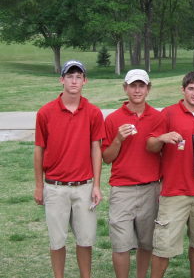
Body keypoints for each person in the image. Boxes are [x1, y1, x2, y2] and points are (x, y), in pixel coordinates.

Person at [34, 60, 105, 278]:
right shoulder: (45, 112)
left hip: (84, 187)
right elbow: (39, 150)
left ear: (85, 81)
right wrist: (39, 186)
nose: (74, 81)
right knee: (57, 242)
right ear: (61, 79)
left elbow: (96, 149)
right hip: (55, 187)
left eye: (78, 76)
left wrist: (96, 185)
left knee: (85, 240)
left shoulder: (93, 112)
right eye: (69, 76)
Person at [148, 71, 194, 278]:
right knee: (164, 246)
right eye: (191, 88)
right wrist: (162, 137)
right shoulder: (168, 113)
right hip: (174, 191)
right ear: (183, 90)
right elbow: (150, 145)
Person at [102, 69, 164, 278]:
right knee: (121, 245)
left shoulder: (158, 117)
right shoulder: (112, 119)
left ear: (148, 89)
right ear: (125, 88)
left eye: (141, 86)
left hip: (150, 188)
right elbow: (107, 158)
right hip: (122, 189)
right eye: (133, 86)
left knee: (146, 243)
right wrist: (118, 139)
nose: (137, 90)